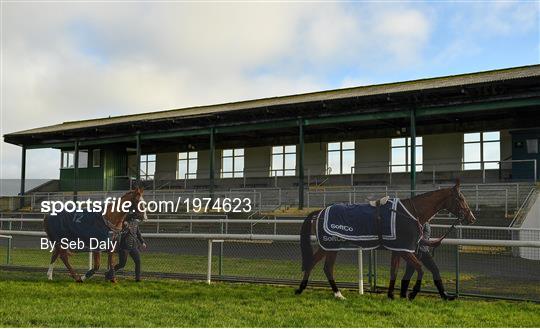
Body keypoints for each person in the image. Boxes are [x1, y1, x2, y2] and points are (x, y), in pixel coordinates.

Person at [401, 222, 456, 300]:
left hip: (424, 252)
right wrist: (431, 243)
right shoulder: (421, 221)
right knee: (409, 273)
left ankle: (443, 294)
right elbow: (417, 238)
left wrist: (432, 243)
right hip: (416, 252)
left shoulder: (427, 221)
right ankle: (403, 295)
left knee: (435, 270)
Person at [114, 213, 146, 281]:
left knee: (138, 261)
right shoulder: (123, 222)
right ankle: (110, 273)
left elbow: (138, 233)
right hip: (124, 246)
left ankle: (138, 278)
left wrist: (142, 242)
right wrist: (125, 227)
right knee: (122, 264)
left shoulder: (135, 222)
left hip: (134, 246)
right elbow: (120, 232)